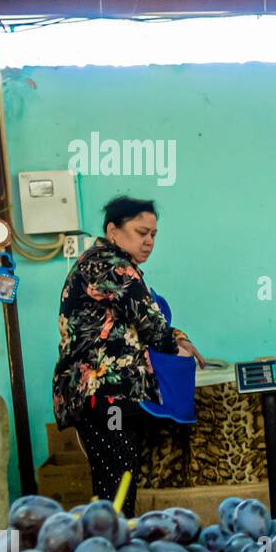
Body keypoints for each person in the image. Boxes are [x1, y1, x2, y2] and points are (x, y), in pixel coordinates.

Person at [52, 197, 204, 513]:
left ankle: (113, 548)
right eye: (140, 232)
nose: (148, 241)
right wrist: (174, 346)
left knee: (117, 479)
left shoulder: (102, 264)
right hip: (107, 396)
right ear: (113, 230)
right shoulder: (111, 265)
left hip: (102, 395)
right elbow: (151, 322)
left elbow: (137, 319)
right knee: (116, 484)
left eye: (153, 235)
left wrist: (177, 337)